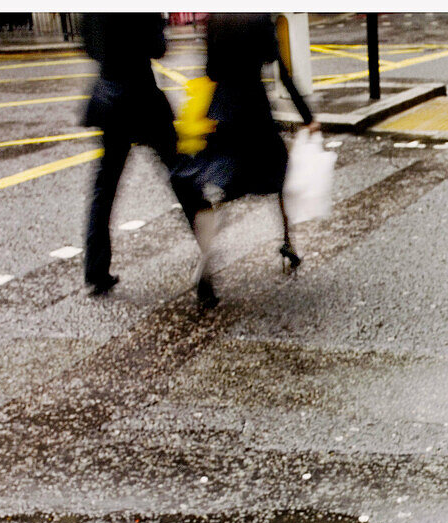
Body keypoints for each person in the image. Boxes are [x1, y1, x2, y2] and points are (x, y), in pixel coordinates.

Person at [172, 13, 321, 309]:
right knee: (279, 174)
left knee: (222, 187)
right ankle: (288, 242)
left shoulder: (215, 17)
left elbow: (211, 70)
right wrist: (307, 117)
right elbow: (281, 70)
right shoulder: (258, 16)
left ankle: (206, 258)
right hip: (254, 112)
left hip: (222, 112)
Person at [80, 12, 199, 295]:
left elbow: (88, 45)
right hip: (142, 100)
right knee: (180, 175)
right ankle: (206, 242)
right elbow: (158, 48)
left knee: (104, 188)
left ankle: (95, 271)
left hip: (110, 99)